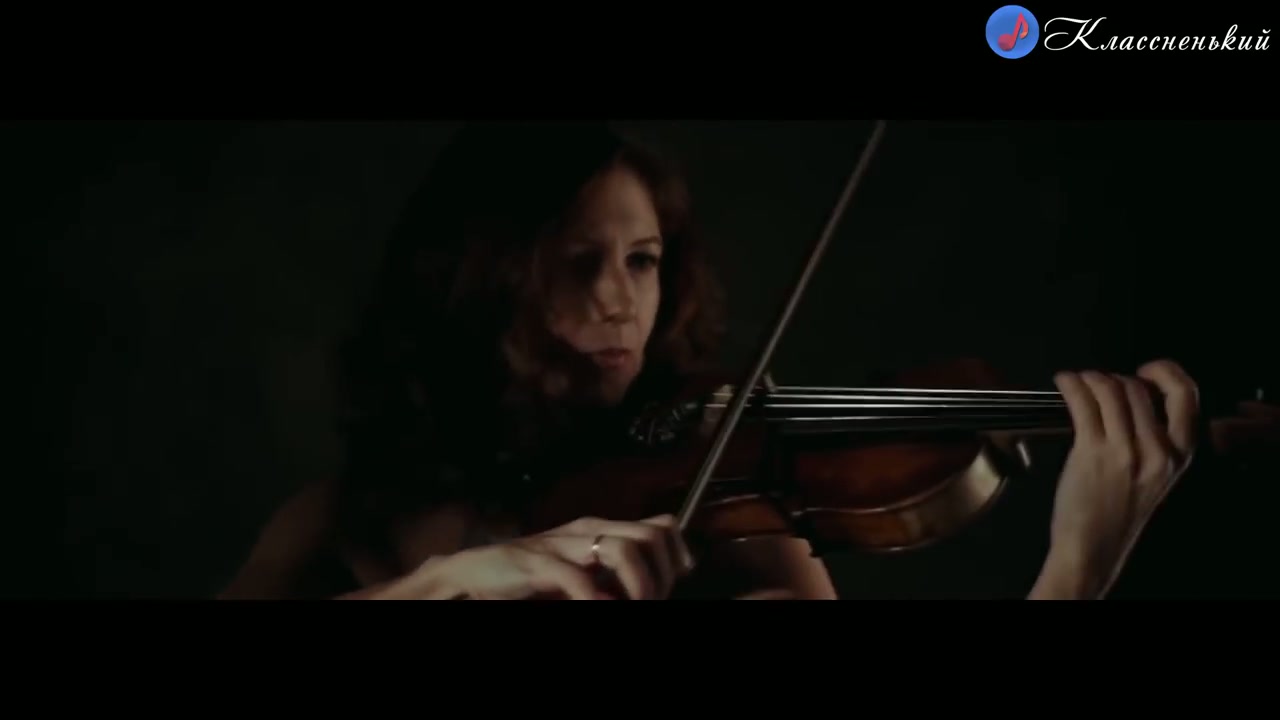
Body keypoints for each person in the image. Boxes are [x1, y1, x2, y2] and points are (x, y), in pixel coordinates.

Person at [219, 122, 1201, 600]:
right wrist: (445, 583)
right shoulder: (344, 522)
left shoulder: (743, 532)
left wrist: (1080, 562)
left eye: (642, 261)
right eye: (577, 264)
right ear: (477, 282)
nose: (621, 302)